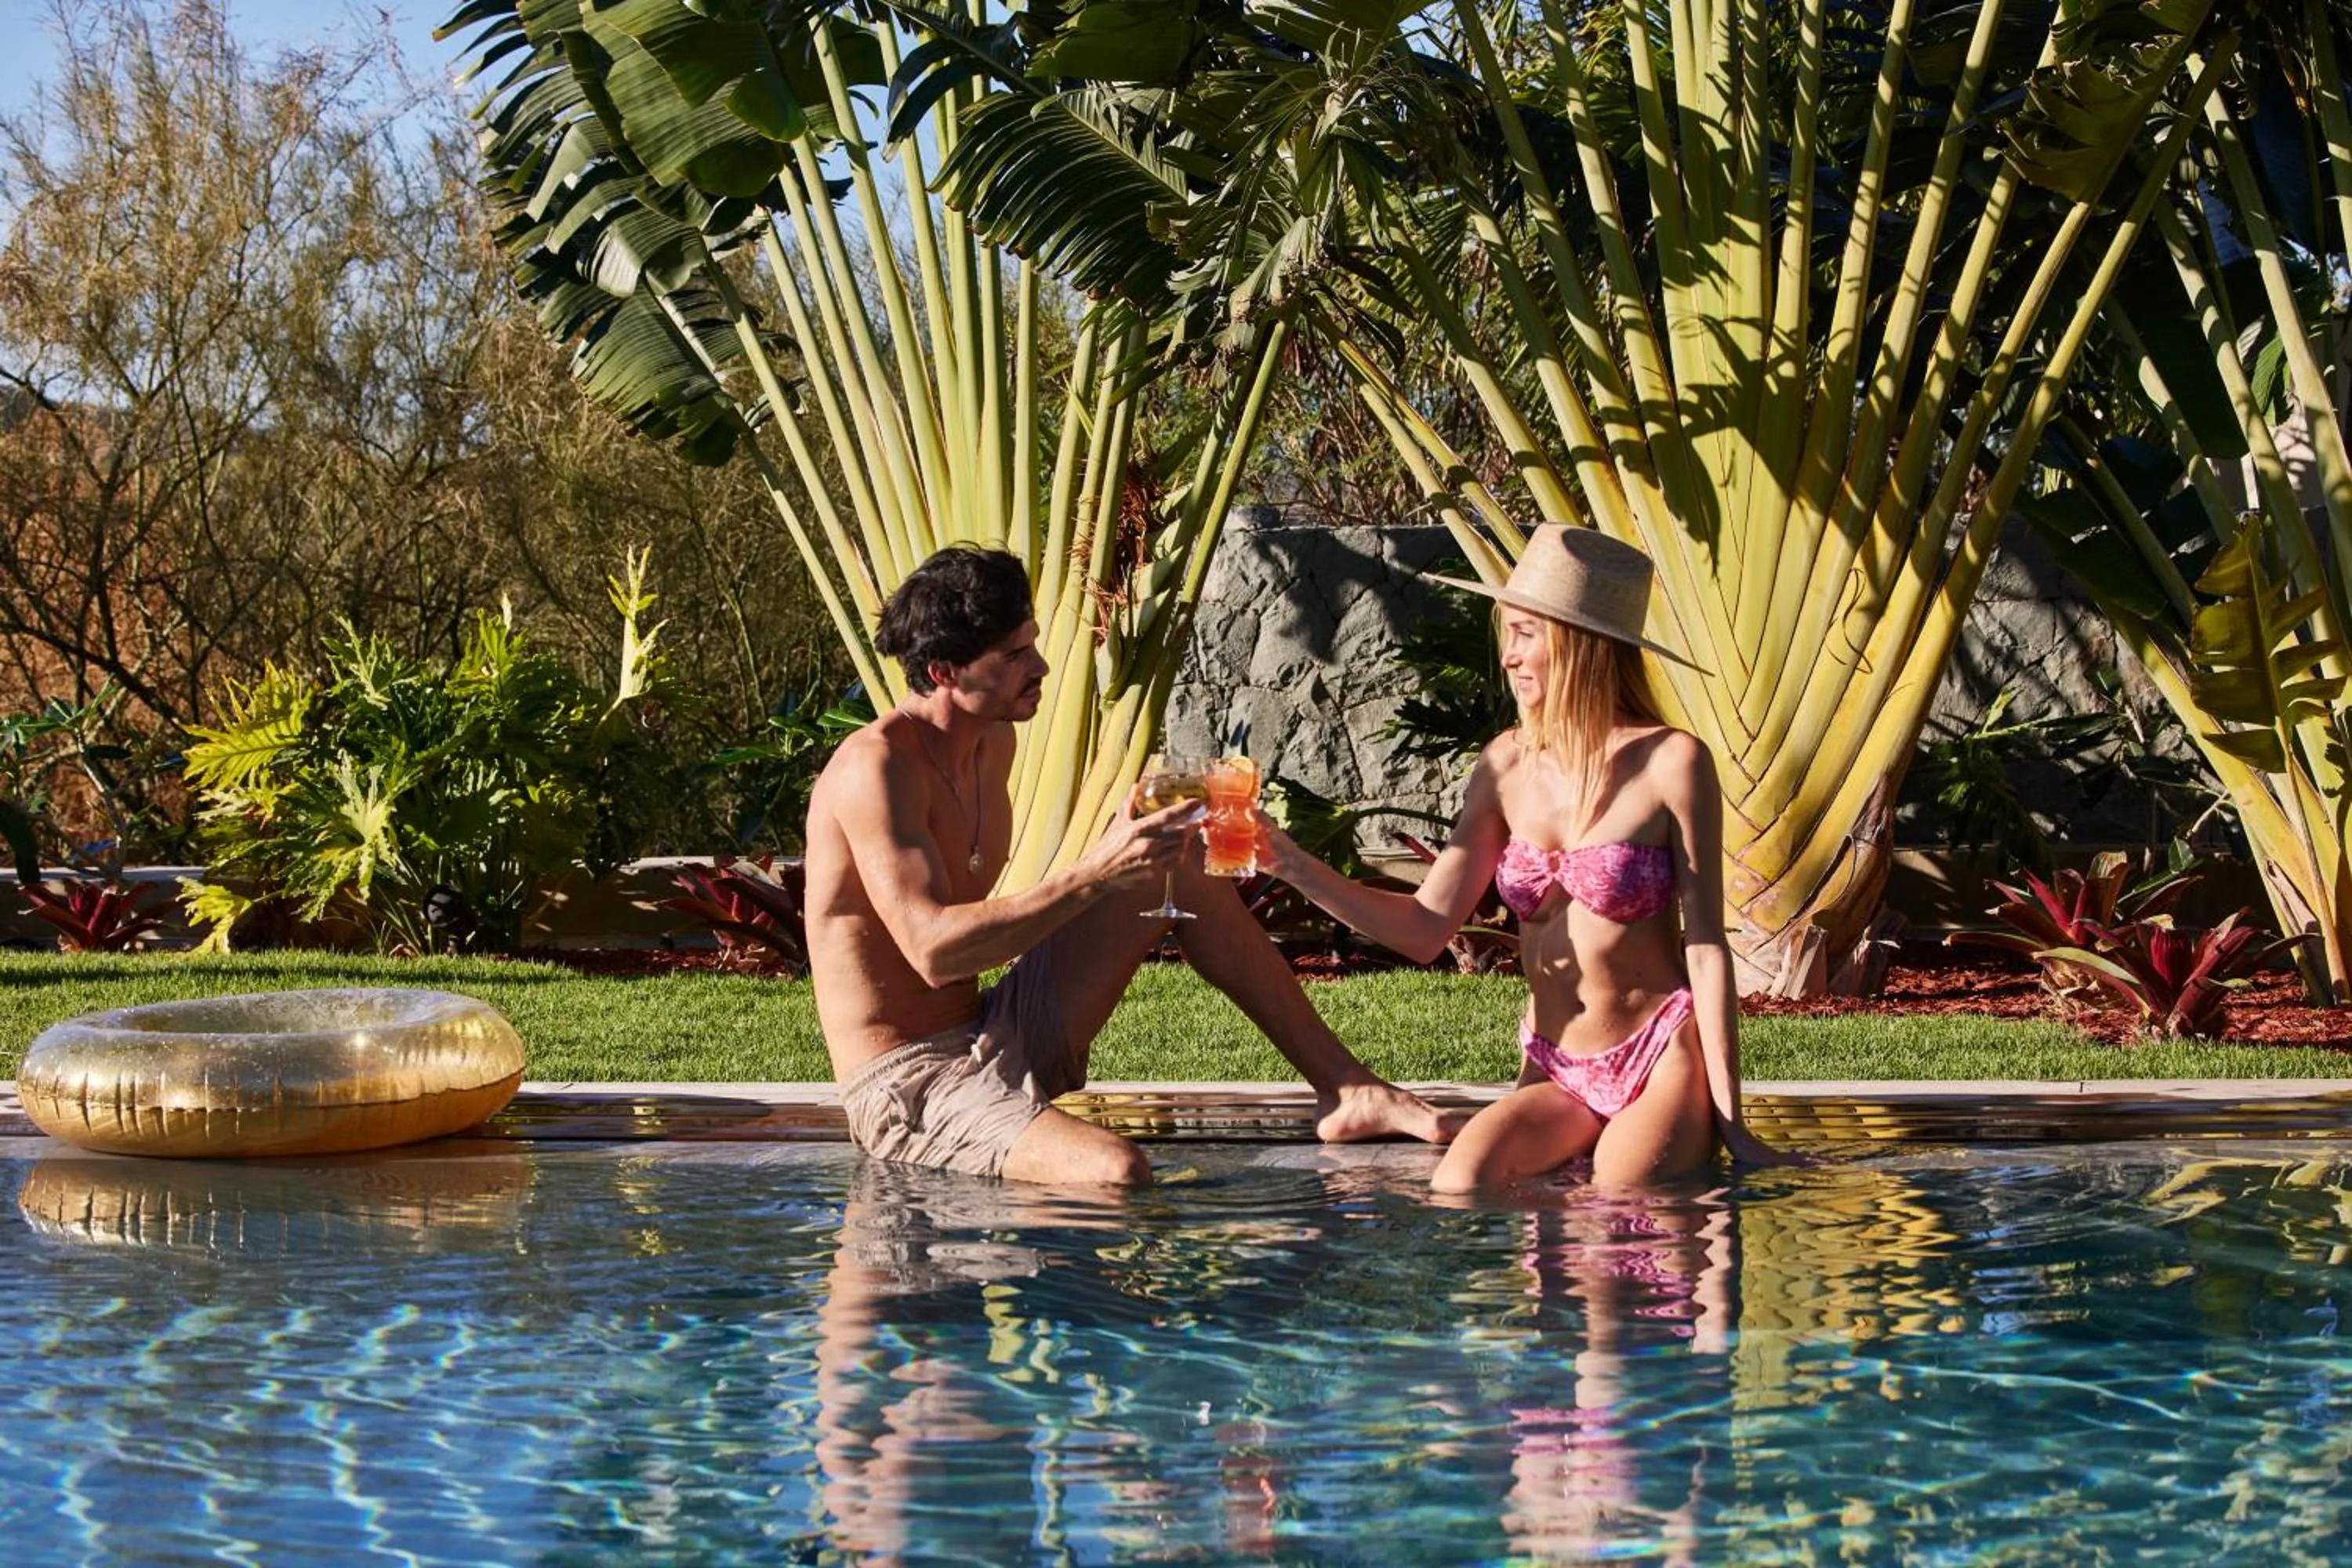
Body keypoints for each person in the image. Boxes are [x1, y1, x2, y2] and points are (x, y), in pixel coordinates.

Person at [803, 544, 1454, 1187]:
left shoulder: (991, 741)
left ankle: (1348, 1089)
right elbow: (934, 952)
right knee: (1117, 1172)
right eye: (1014, 655)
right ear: (946, 672)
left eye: (1032, 643)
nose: (1043, 665)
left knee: (1179, 865)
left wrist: (1134, 843)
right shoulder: (877, 767)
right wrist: (1096, 870)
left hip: (995, 1029)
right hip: (907, 1082)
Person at [1257, 524, 1782, 1189]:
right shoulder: (1506, 764)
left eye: (1527, 633)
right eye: (1507, 632)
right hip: (1556, 1064)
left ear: (1581, 642)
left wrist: (1732, 1119)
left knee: (1620, 1205)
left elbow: (1706, 946)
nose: (1509, 657)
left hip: (1658, 1057)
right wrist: (1290, 863)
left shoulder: (1671, 762)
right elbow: (1424, 927)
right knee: (1459, 1185)